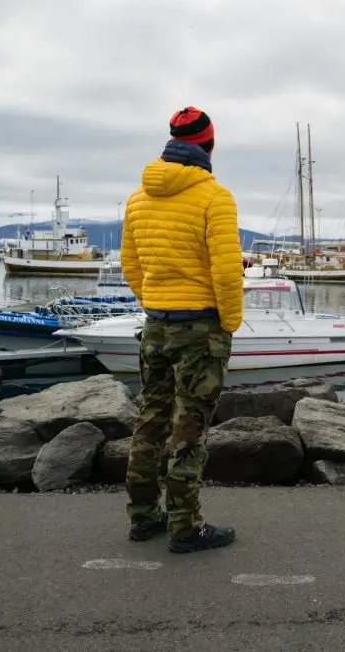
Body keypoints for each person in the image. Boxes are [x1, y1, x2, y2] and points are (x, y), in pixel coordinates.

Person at [121, 106, 244, 554]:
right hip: (201, 327)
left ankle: (142, 516)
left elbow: (131, 265)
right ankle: (185, 526)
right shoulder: (215, 197)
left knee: (150, 419)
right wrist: (228, 322)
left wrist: (155, 303)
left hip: (156, 324)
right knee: (189, 427)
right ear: (208, 145)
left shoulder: (138, 198)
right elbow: (227, 273)